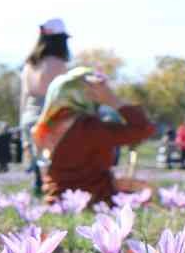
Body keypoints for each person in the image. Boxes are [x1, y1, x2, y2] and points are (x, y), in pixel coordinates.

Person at [33, 67, 152, 206]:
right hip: (95, 199)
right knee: (144, 191)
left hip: (57, 200)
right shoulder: (88, 127)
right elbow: (142, 129)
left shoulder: (44, 128)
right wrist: (112, 100)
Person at [21, 18, 72, 195]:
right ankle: (48, 201)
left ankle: (36, 199)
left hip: (28, 115)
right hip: (49, 117)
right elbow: (62, 97)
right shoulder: (59, 65)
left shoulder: (29, 64)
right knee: (50, 167)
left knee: (36, 165)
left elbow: (24, 96)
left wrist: (22, 123)